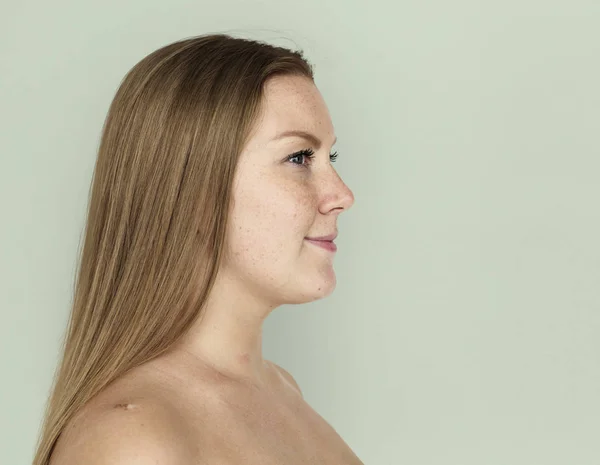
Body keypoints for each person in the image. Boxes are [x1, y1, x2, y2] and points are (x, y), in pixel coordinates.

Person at [33, 33, 360, 464]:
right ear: (194, 188)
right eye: (299, 157)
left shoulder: (280, 390)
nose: (342, 194)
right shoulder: (131, 442)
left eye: (330, 158)